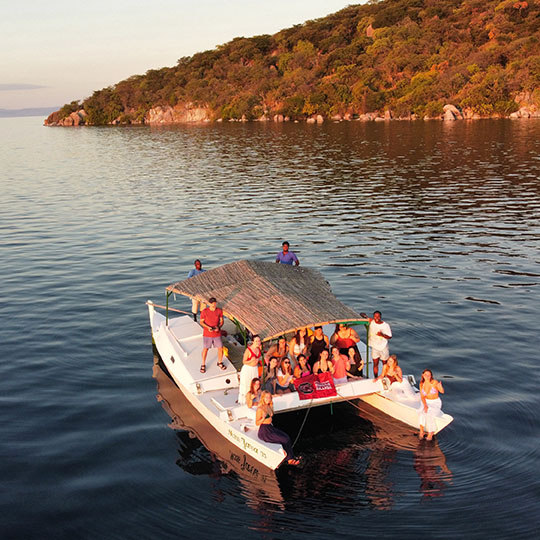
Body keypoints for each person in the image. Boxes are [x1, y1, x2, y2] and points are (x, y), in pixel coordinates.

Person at [256, 391, 300, 466]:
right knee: (284, 440)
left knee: (287, 437)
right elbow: (257, 423)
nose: (268, 399)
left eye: (269, 397)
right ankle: (289, 459)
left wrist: (276, 395)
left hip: (270, 427)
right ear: (263, 398)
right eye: (266, 397)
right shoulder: (260, 409)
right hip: (264, 431)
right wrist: (263, 418)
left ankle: (291, 456)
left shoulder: (269, 406)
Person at [200, 297, 225, 373]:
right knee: (205, 349)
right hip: (207, 334)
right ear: (209, 304)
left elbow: (222, 321)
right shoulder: (205, 311)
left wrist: (219, 327)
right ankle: (203, 364)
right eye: (212, 303)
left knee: (220, 348)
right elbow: (201, 322)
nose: (213, 304)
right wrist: (208, 328)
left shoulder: (219, 311)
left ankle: (220, 362)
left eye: (214, 303)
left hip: (217, 333)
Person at [418, 369, 445, 441]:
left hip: (435, 402)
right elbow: (422, 397)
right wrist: (425, 405)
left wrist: (440, 387)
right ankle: (421, 431)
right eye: (425, 375)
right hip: (426, 401)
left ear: (431, 376)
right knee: (421, 413)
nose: (427, 376)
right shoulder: (421, 384)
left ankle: (431, 432)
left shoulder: (434, 382)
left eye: (429, 375)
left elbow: (442, 392)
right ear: (423, 375)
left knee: (429, 415)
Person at [238, 335, 263, 404]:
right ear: (253, 342)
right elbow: (244, 361)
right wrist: (251, 360)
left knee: (254, 384)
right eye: (256, 341)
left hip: (255, 369)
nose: (258, 342)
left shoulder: (258, 349)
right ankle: (244, 401)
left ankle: (253, 398)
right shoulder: (248, 350)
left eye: (259, 341)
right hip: (248, 369)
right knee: (247, 384)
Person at [368, 311, 392, 378]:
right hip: (374, 347)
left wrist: (382, 335)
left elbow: (390, 336)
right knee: (375, 364)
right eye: (375, 316)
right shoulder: (372, 322)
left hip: (383, 347)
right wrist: (364, 316)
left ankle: (385, 376)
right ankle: (376, 377)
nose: (377, 318)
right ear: (373, 316)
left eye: (378, 316)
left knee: (385, 364)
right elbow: (367, 319)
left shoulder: (385, 325)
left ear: (380, 317)